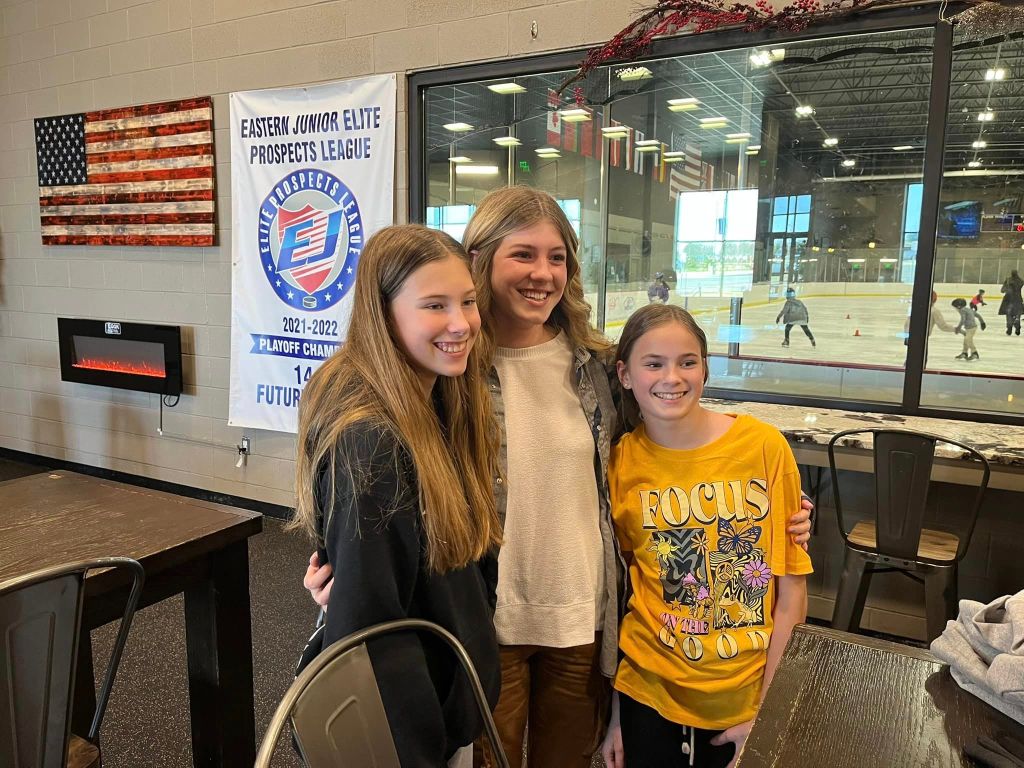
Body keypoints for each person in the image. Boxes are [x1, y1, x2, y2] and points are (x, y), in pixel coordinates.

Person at [303, 187, 814, 768]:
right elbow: (382, 480)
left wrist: (770, 499)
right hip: (485, 623)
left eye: (557, 257)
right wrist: (347, 568)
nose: (542, 273)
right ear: (481, 258)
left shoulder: (596, 367)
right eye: (523, 254)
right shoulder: (449, 368)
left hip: (581, 618)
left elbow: (671, 436)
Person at [289, 225, 502, 768]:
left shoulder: (442, 400)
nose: (461, 323)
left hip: (443, 701)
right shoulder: (372, 441)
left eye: (468, 301)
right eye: (434, 305)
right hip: (407, 735)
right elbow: (370, 629)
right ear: (382, 315)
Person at [601, 304, 812, 768]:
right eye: (653, 363)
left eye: (687, 362)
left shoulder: (764, 447)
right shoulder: (620, 463)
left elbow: (791, 595)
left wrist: (767, 714)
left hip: (745, 699)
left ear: (705, 368)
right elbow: (626, 594)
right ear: (625, 374)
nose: (672, 377)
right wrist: (615, 714)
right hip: (647, 695)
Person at [999, 270, 1024, 336]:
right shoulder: (1020, 281)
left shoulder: (1008, 280)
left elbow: (1002, 290)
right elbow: (1021, 284)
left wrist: (1007, 287)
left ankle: (1009, 327)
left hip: (1009, 300)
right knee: (1017, 315)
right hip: (1018, 300)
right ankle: (1017, 327)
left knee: (1009, 315)